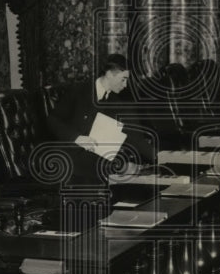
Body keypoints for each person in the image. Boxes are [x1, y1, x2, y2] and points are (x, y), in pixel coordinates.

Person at [46, 54, 155, 183]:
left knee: (126, 169)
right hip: (70, 152)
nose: (125, 85)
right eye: (123, 79)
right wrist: (76, 138)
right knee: (121, 168)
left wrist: (159, 157)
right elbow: (52, 120)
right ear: (109, 74)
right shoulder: (78, 91)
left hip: (97, 157)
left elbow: (135, 136)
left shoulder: (116, 101)